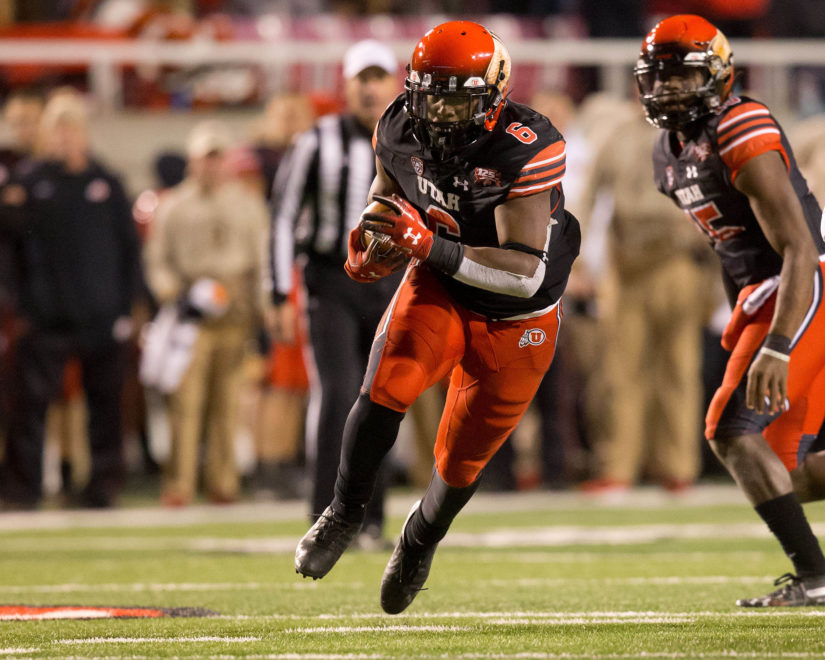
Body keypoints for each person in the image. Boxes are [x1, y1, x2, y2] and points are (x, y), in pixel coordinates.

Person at [294, 20, 580, 614]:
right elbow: (387, 193)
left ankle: (419, 540)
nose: (441, 111)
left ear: (494, 94)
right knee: (387, 383)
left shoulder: (526, 145)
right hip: (442, 286)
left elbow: (523, 271)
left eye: (457, 96)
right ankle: (344, 510)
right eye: (432, 93)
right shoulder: (399, 122)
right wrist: (374, 239)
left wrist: (428, 247)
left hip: (518, 314)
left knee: (459, 459)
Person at [634, 14, 825, 606]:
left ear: (718, 76)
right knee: (786, 472)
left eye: (682, 75)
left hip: (803, 285)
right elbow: (726, 245)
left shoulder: (740, 125)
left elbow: (799, 247)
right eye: (658, 77)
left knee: (730, 431)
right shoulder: (668, 152)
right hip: (763, 294)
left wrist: (776, 344)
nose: (667, 89)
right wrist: (737, 314)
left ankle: (817, 579)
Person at [269, 39, 402, 543]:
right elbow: (281, 217)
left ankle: (371, 518)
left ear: (394, 83)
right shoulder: (316, 141)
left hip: (390, 282)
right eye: (361, 79)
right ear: (345, 86)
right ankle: (326, 515)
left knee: (384, 396)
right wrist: (279, 292)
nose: (370, 88)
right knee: (340, 391)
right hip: (331, 279)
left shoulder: (411, 140)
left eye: (378, 77)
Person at [0, 89, 142, 509]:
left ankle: (102, 487)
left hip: (101, 315)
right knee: (28, 409)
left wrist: (130, 304)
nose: (64, 138)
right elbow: (7, 250)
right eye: (56, 129)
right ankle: (22, 488)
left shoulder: (107, 182)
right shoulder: (27, 182)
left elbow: (129, 250)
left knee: (106, 408)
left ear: (83, 133)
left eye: (71, 128)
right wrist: (16, 303)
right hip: (43, 318)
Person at [577, 111, 712, 495]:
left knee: (680, 368)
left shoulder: (695, 136)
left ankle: (677, 466)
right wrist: (580, 254)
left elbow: (723, 194)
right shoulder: (616, 134)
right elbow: (589, 193)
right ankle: (618, 466)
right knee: (619, 369)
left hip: (678, 259)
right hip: (627, 263)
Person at [143, 120, 269, 506]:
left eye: (217, 158)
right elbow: (157, 260)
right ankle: (179, 483)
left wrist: (263, 311)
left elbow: (263, 262)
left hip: (235, 310)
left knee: (228, 405)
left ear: (227, 162)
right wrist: (172, 295)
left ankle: (223, 481)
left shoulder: (247, 205)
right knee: (186, 403)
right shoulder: (173, 206)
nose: (211, 167)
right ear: (192, 162)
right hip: (190, 315)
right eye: (204, 159)